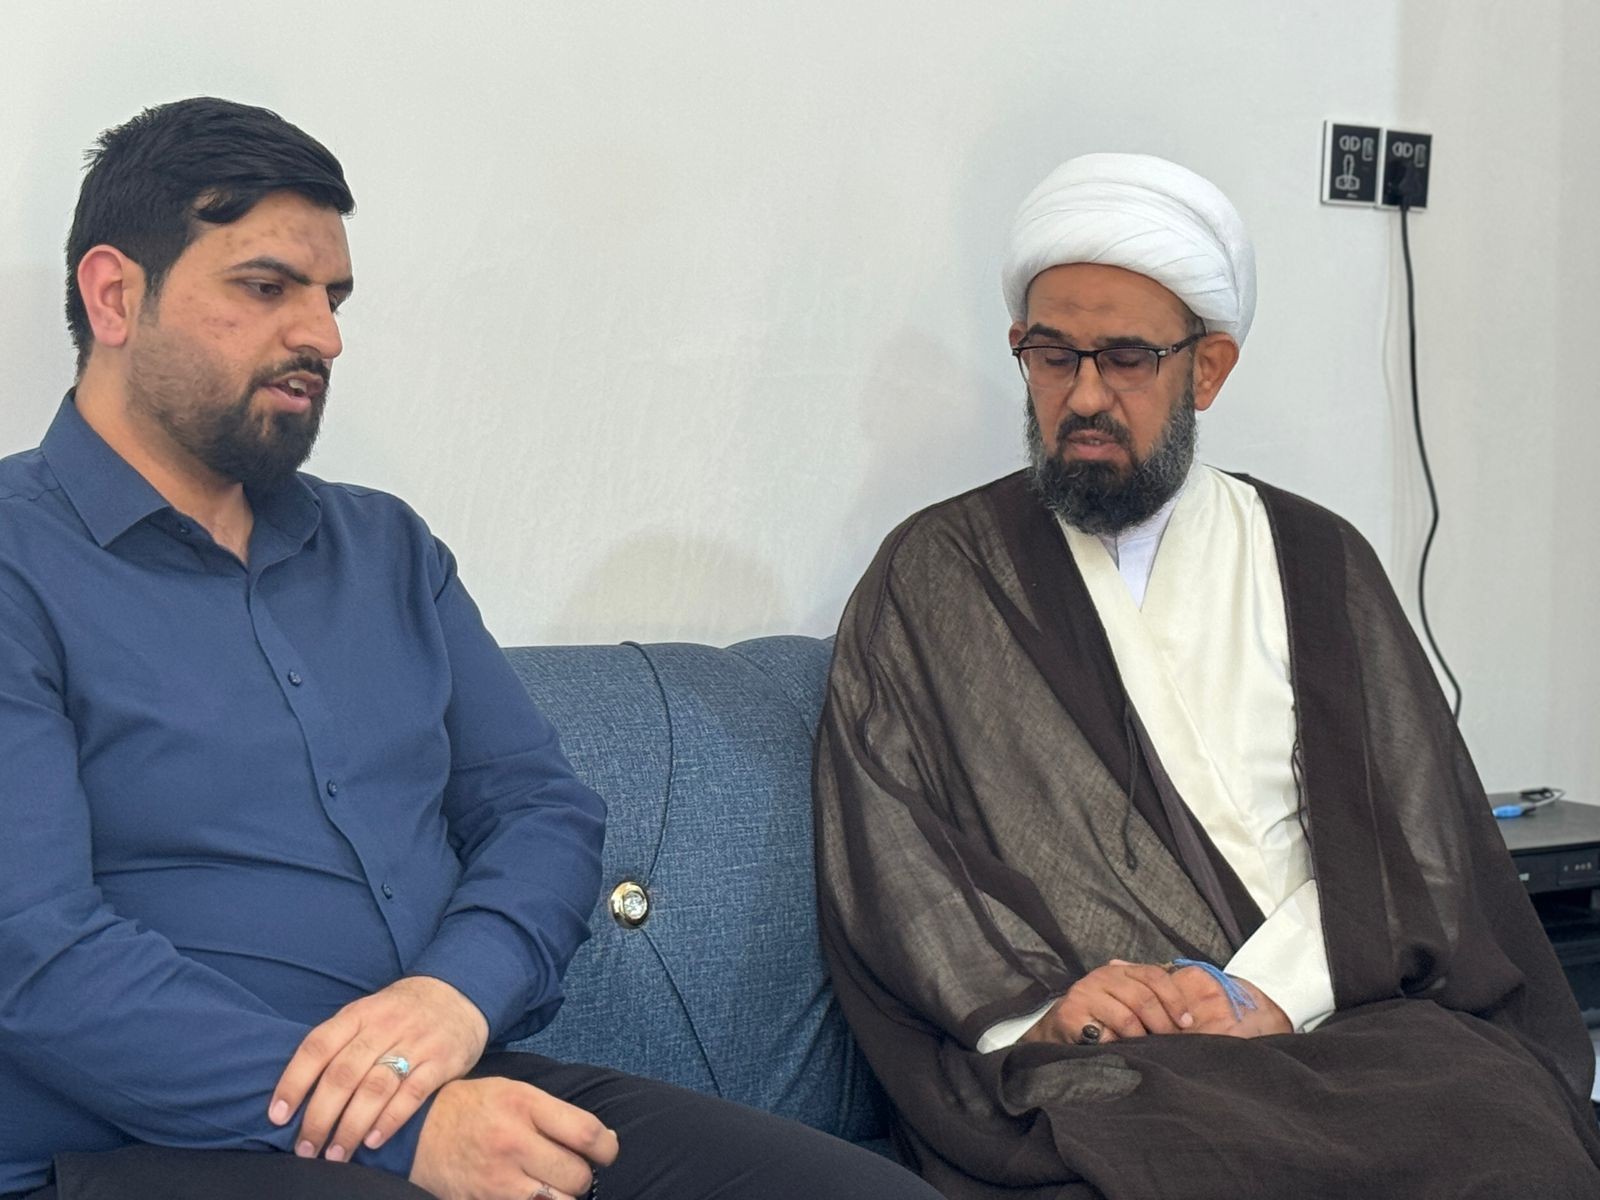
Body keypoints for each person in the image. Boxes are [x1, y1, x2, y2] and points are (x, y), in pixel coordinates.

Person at [0, 96, 940, 1200]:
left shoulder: (385, 550)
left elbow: (541, 811)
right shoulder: (18, 561)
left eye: (333, 299)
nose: (323, 337)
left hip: (454, 1082)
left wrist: (453, 997)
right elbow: (37, 953)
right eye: (266, 287)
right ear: (115, 295)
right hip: (145, 1147)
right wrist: (409, 1136)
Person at [813, 152, 1600, 1199]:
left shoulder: (1316, 561)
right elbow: (892, 848)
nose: (1083, 395)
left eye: (1126, 359)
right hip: (1108, 1048)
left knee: (1505, 1133)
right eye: (1051, 356)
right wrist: (1044, 1009)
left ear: (1208, 369)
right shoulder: (938, 574)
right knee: (1154, 1151)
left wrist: (1268, 992)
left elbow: (1416, 844)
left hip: (1339, 1011)